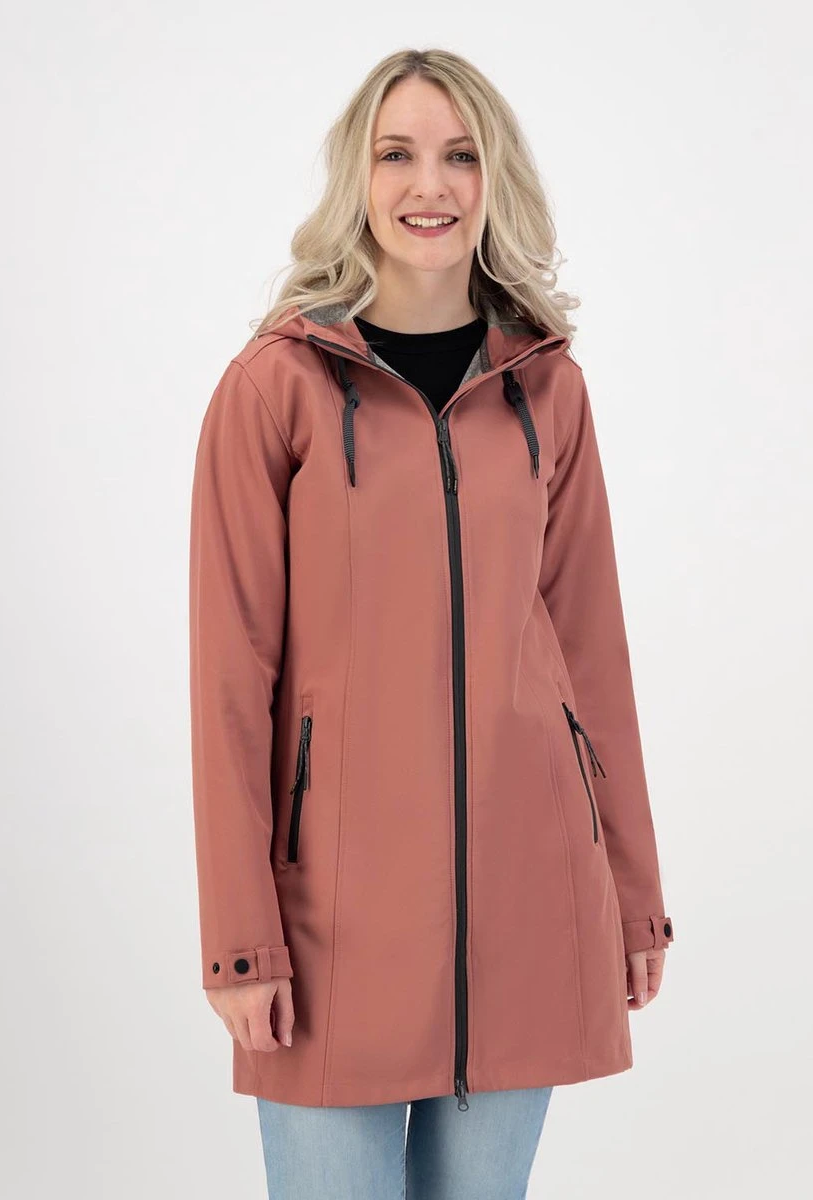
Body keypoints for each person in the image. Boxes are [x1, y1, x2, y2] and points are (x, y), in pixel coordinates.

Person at [188, 46, 674, 1200]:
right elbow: (228, 680)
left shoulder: (547, 388)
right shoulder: (275, 386)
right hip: (330, 924)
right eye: (395, 154)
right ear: (354, 179)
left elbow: (590, 652)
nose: (429, 185)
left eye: (458, 156)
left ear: (493, 177)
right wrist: (239, 940)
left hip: (522, 905)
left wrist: (633, 897)